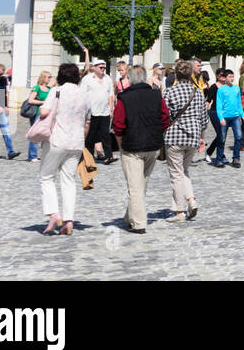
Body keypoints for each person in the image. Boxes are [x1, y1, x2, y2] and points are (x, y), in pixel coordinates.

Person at [111, 66, 169, 233]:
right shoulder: (156, 95)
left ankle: (138, 223)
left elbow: (118, 125)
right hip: (153, 145)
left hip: (132, 147)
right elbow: (165, 118)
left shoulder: (124, 97)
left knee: (135, 186)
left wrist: (120, 143)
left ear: (128, 79)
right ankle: (130, 216)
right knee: (141, 183)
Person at [37, 62, 93, 235]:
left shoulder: (56, 91)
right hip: (76, 142)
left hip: (57, 140)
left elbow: (44, 113)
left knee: (46, 176)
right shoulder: (84, 94)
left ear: (61, 75)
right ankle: (68, 221)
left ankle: (54, 213)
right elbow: (88, 120)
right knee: (68, 180)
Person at [163, 60, 206, 221]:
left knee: (176, 174)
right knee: (184, 171)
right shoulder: (198, 92)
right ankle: (191, 200)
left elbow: (164, 115)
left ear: (176, 74)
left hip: (174, 136)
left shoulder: (170, 92)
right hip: (193, 136)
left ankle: (179, 211)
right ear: (190, 74)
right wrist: (202, 138)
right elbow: (204, 118)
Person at [79, 58, 116, 163]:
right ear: (94, 67)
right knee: (91, 136)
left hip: (104, 111)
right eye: (100, 67)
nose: (103, 69)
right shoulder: (87, 79)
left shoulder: (107, 78)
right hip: (92, 112)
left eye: (104, 67)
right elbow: (82, 94)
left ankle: (109, 156)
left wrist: (111, 108)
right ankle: (89, 157)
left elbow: (111, 94)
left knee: (105, 135)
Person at [210, 69, 244, 167]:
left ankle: (236, 158)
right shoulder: (221, 90)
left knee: (238, 137)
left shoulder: (237, 89)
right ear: (225, 78)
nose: (232, 78)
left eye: (232, 76)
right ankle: (219, 159)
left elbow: (239, 104)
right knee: (222, 138)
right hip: (225, 117)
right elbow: (219, 105)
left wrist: (243, 115)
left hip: (235, 117)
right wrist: (221, 118)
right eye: (229, 76)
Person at [25, 71, 54, 161]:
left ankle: (47, 154)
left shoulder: (50, 89)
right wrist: (43, 102)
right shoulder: (37, 88)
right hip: (38, 112)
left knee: (48, 134)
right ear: (43, 77)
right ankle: (32, 155)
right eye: (48, 77)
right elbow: (30, 100)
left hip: (48, 113)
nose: (49, 79)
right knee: (36, 133)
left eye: (50, 77)